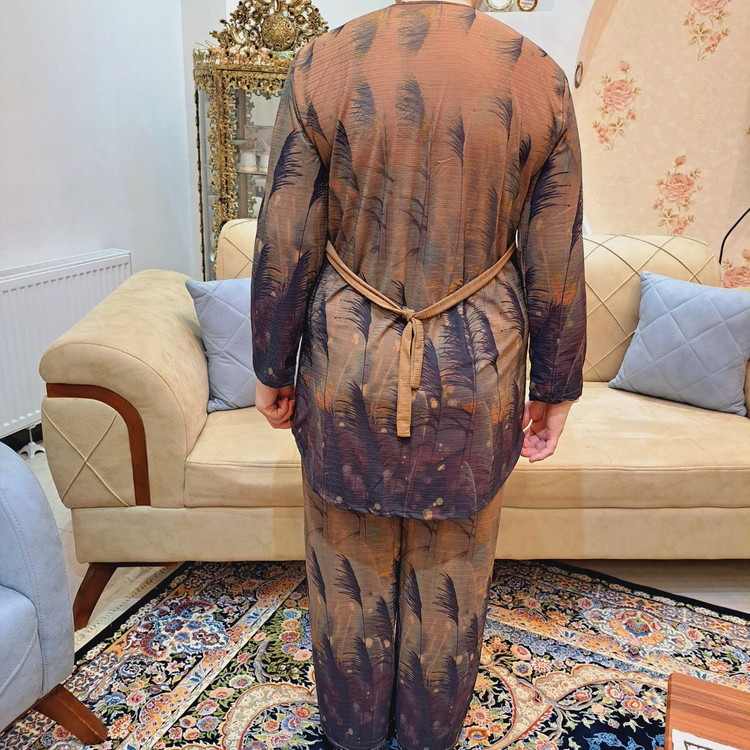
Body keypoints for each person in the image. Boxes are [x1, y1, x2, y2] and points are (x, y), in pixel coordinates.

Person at [251, 0, 587, 747]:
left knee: (345, 567)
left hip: (348, 366)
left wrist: (272, 362)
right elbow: (556, 250)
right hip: (477, 370)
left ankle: (352, 732)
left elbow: (285, 232)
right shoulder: (537, 77)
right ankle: (430, 732)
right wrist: (554, 385)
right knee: (451, 578)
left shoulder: (324, 64)